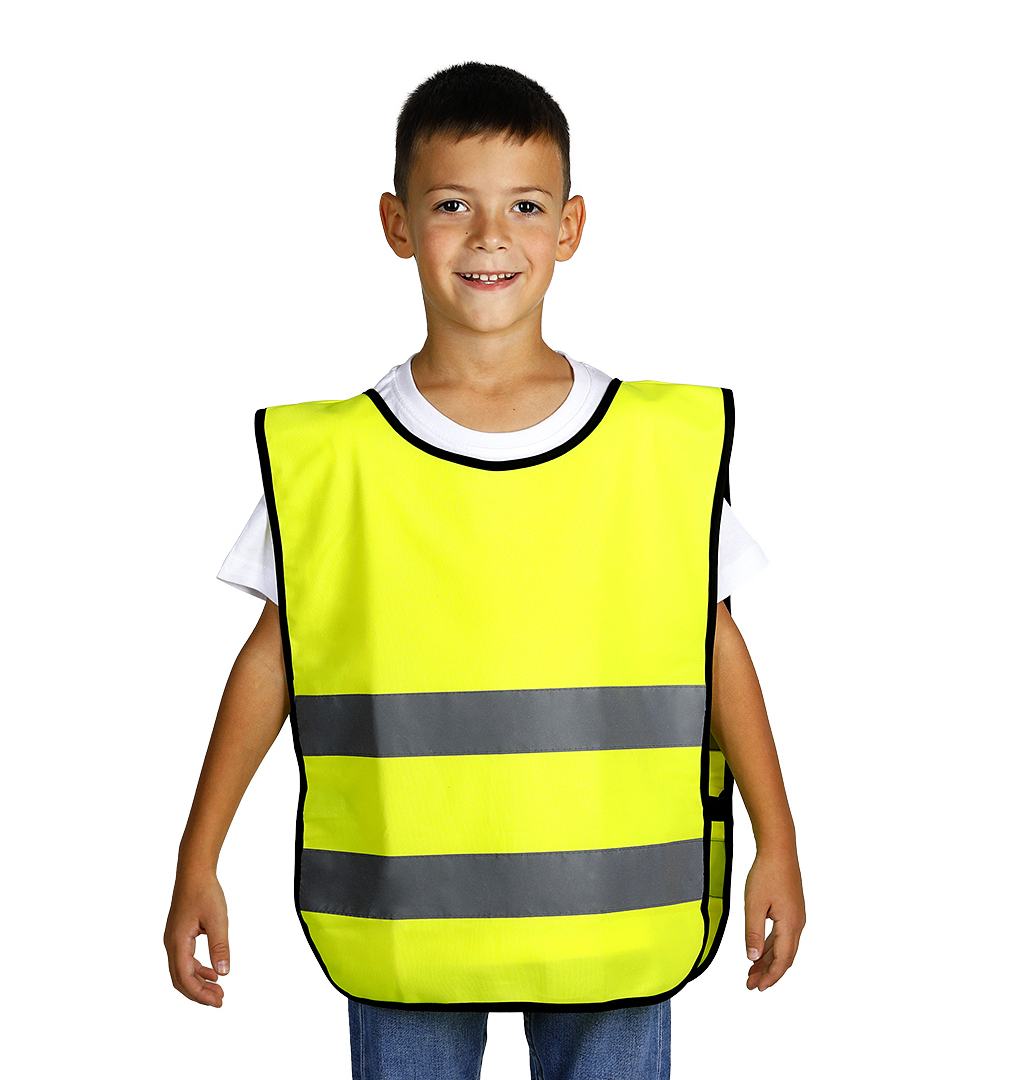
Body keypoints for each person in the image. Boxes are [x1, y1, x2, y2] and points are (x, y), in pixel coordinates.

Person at [164, 61, 805, 1079]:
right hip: (408, 917)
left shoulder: (657, 448)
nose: (491, 236)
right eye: (453, 204)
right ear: (397, 224)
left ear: (572, 227)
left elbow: (714, 642)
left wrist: (781, 840)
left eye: (527, 206)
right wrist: (197, 858)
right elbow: (274, 659)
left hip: (610, 911)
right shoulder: (335, 462)